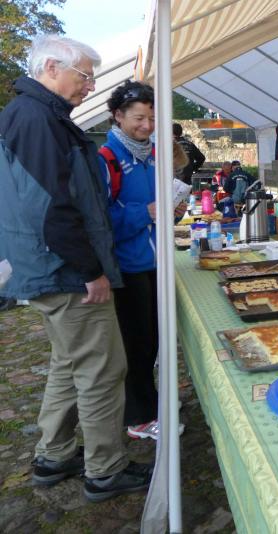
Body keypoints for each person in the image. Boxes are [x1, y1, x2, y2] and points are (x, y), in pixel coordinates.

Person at [0, 34, 152, 502]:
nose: (90, 86)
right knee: (103, 370)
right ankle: (105, 468)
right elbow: (51, 207)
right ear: (51, 68)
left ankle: (54, 454)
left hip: (48, 267)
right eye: (84, 76)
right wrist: (91, 270)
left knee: (69, 363)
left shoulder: (35, 115)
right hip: (64, 270)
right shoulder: (37, 119)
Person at [98, 80, 185, 441]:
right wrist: (145, 212)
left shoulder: (152, 156)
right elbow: (98, 220)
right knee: (136, 344)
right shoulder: (106, 158)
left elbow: (159, 209)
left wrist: (174, 211)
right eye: (139, 118)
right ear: (118, 116)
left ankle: (152, 403)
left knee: (154, 339)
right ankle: (138, 417)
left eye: (152, 118)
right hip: (127, 265)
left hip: (155, 261)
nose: (147, 126)